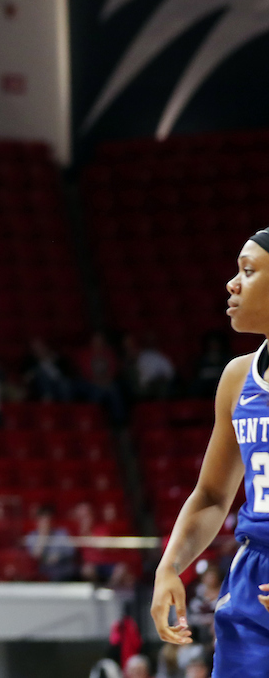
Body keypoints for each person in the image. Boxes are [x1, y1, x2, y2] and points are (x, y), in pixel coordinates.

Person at [151, 227, 269, 676]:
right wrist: (169, 567)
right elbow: (212, 496)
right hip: (252, 580)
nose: (232, 283)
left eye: (248, 271)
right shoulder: (239, 378)